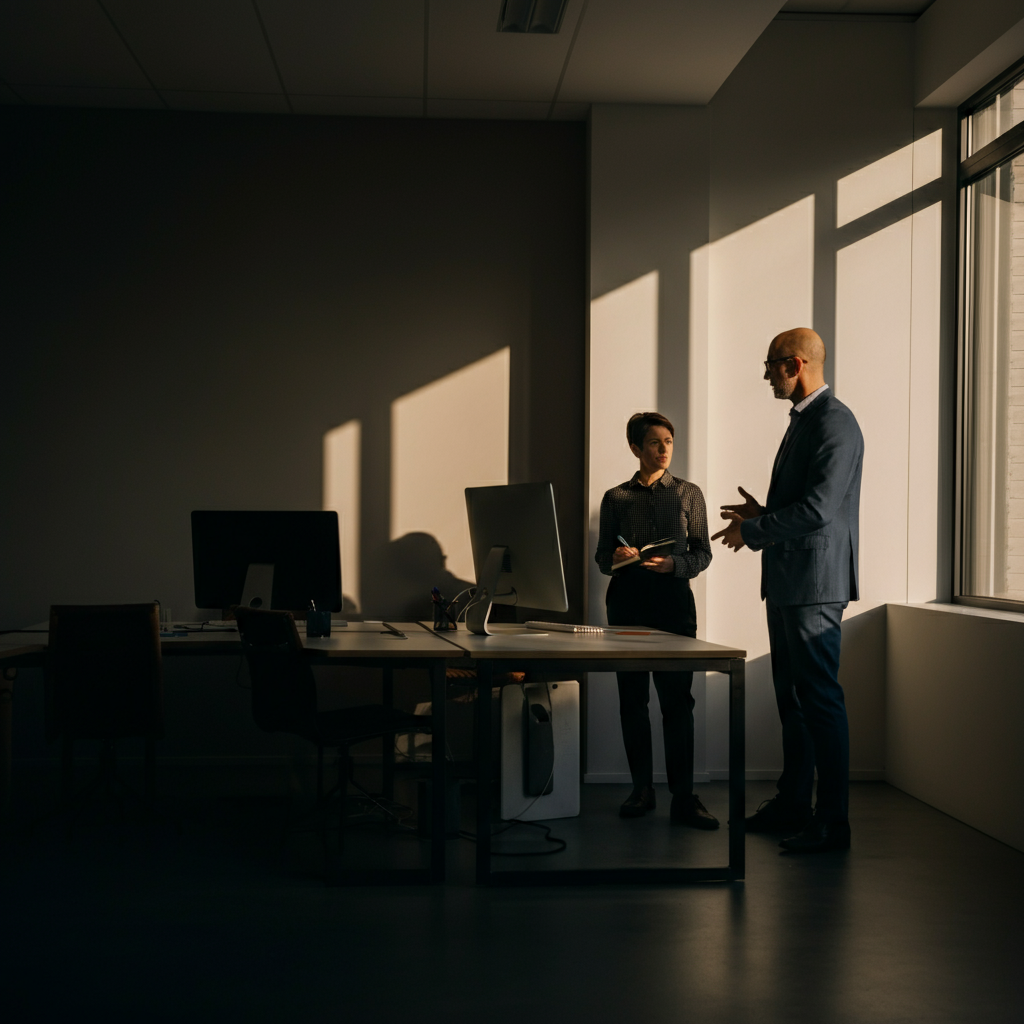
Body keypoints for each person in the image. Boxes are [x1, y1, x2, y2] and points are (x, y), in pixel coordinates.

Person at [712, 328, 863, 854]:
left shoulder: (834, 423)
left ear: (795, 364)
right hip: (791, 581)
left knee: (819, 700)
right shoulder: (807, 421)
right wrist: (763, 515)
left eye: (771, 365)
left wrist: (753, 532)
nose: (766, 374)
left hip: (815, 585)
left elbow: (820, 509)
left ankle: (833, 823)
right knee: (794, 701)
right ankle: (795, 803)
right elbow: (807, 505)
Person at [595, 411, 716, 828]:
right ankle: (641, 790)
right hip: (626, 605)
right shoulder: (616, 497)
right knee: (633, 701)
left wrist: (674, 566)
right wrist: (616, 559)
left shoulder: (688, 493)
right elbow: (600, 559)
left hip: (672, 605)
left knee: (677, 703)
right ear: (635, 448)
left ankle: (684, 797)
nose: (664, 450)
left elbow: (702, 553)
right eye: (654, 443)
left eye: (669, 442)